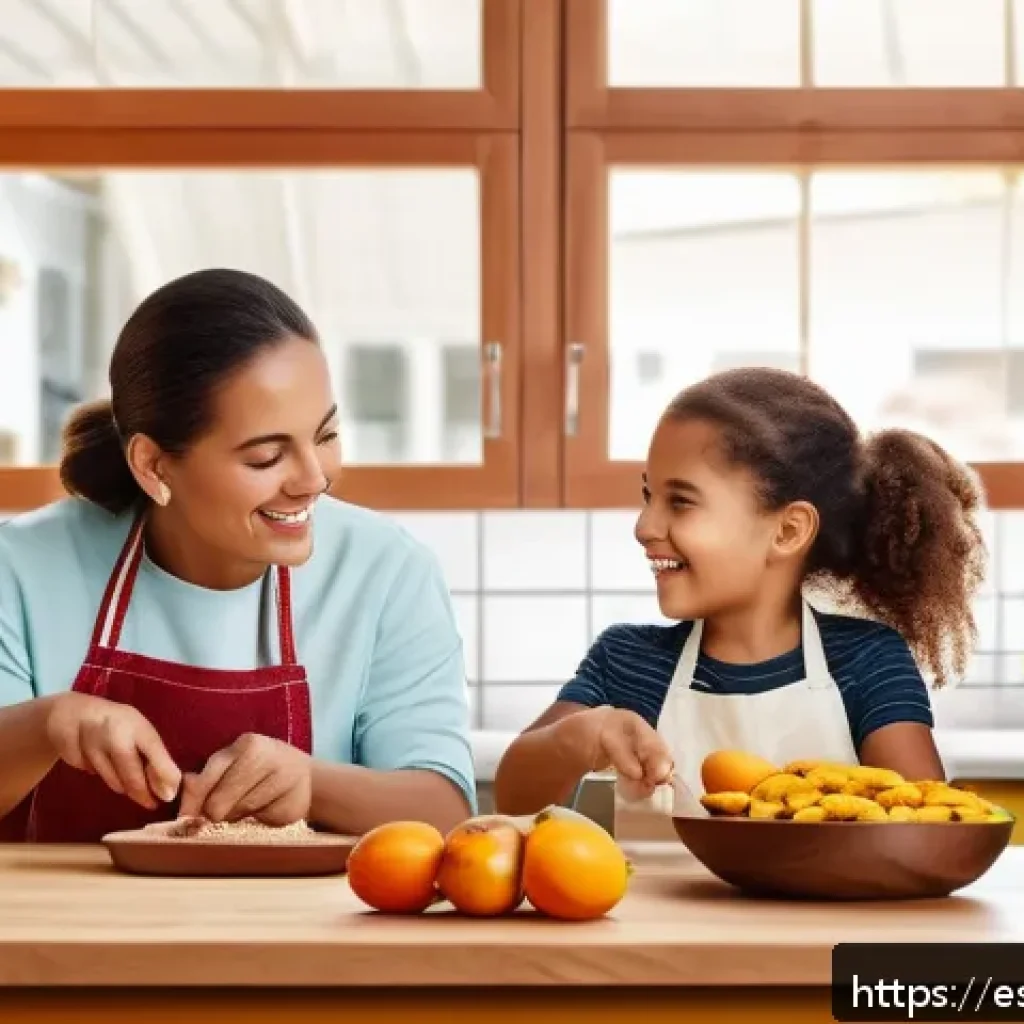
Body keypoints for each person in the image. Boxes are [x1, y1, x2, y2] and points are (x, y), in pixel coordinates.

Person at [0, 268, 476, 843]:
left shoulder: (388, 572)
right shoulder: (21, 568)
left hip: (302, 932)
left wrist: (311, 784)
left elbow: (445, 810)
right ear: (152, 465)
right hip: (59, 932)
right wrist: (48, 724)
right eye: (266, 457)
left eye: (325, 437)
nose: (313, 480)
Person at [494, 367, 986, 816]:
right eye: (649, 496)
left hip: (830, 915)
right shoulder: (628, 663)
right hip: (660, 918)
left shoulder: (866, 663)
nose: (645, 526)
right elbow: (515, 796)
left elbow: (926, 821)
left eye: (681, 502)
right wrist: (585, 734)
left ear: (789, 530)